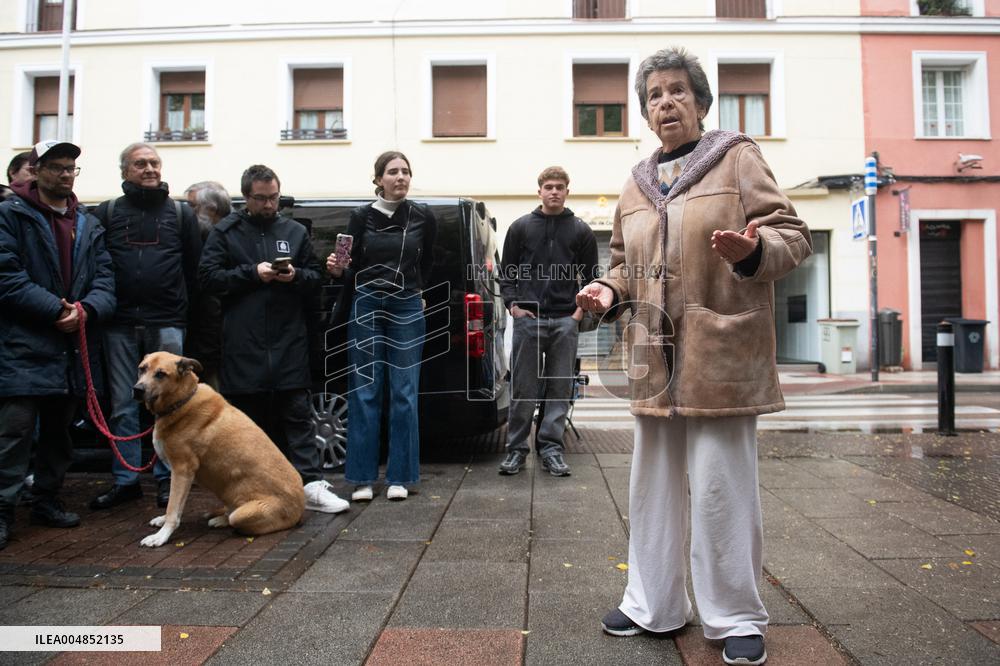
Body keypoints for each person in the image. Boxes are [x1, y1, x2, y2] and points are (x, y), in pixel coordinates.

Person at [576, 47, 812, 666]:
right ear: (646, 113)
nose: (666, 102)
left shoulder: (737, 158)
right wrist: (608, 288)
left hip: (722, 352)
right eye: (654, 95)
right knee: (650, 486)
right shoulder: (636, 181)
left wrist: (750, 252)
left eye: (678, 91)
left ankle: (733, 616)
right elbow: (625, 264)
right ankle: (652, 604)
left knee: (719, 487)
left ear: (702, 103)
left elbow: (791, 234)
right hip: (654, 358)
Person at [200, 164, 349, 514]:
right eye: (261, 199)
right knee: (247, 426)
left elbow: (315, 278)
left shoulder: (294, 231)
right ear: (246, 197)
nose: (269, 205)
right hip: (243, 342)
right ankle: (252, 492)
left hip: (288, 341)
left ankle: (311, 486)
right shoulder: (226, 231)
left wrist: (295, 276)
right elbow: (207, 278)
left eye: (274, 197)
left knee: (298, 416)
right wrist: (253, 273)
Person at [0, 140, 117, 549]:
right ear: (36, 170)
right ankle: (3, 510)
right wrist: (55, 310)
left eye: (72, 169)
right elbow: (6, 277)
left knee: (59, 432)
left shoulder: (88, 222)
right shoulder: (10, 215)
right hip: (23, 343)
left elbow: (106, 281)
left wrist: (86, 310)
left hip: (71, 346)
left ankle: (46, 499)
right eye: (58, 168)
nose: (66, 175)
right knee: (13, 432)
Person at [89, 143, 202, 511]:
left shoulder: (180, 214)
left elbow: (194, 270)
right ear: (125, 171)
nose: (150, 169)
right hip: (119, 323)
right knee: (123, 403)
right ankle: (126, 480)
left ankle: (167, 480)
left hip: (168, 321)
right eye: (141, 164)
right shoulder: (107, 213)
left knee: (171, 403)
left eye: (155, 162)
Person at [325, 151, 436, 503]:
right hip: (367, 303)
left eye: (405, 171)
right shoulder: (360, 216)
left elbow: (429, 259)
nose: (401, 177)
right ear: (378, 180)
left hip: (405, 303)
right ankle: (361, 478)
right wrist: (336, 267)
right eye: (393, 172)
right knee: (365, 389)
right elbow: (345, 263)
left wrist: (418, 292)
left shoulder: (422, 215)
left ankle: (400, 477)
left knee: (404, 391)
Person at [497, 167, 598, 477]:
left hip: (565, 321)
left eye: (560, 187)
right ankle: (516, 450)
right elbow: (507, 273)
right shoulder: (521, 228)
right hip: (529, 321)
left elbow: (592, 277)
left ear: (568, 191)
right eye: (548, 187)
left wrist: (578, 314)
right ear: (539, 190)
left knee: (559, 389)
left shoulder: (581, 230)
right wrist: (513, 305)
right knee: (523, 388)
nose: (554, 191)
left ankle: (551, 449)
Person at [184, 181, 232, 388]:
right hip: (204, 335)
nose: (187, 213)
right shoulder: (196, 235)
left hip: (221, 340)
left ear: (212, 210)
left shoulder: (231, 239)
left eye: (192, 206)